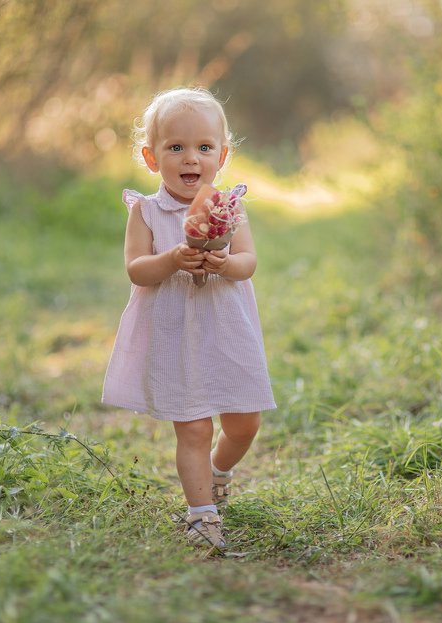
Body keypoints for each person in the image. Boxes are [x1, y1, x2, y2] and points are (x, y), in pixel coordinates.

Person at [102, 87, 276, 551]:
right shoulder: (146, 211)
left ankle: (219, 471)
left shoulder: (229, 207)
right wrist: (172, 259)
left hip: (227, 330)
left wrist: (226, 263)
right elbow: (137, 269)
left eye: (203, 147)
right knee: (195, 427)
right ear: (151, 157)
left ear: (223, 155)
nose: (190, 158)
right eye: (175, 147)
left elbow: (248, 262)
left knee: (244, 423)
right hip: (175, 333)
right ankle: (202, 514)